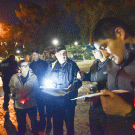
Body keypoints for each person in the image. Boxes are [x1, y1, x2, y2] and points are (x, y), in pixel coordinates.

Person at [92, 17, 135, 134]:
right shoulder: (112, 65)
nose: (104, 55)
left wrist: (127, 111)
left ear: (120, 33)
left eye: (104, 47)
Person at [44, 45, 82, 135]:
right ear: (56, 55)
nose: (63, 55)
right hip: (55, 102)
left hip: (69, 101)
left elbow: (79, 80)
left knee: (70, 127)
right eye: (61, 53)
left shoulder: (72, 65)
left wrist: (74, 85)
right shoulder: (51, 65)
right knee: (57, 127)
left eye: (65, 53)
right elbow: (45, 79)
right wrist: (48, 83)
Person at [77, 47, 110, 135]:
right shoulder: (95, 63)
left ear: (102, 50)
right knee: (94, 130)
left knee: (106, 130)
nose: (93, 53)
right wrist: (83, 75)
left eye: (95, 51)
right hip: (94, 104)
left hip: (105, 105)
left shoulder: (110, 64)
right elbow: (90, 77)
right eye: (92, 51)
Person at [9, 60, 38, 135]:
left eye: (27, 66)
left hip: (31, 104)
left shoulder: (34, 77)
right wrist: (15, 93)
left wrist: (29, 96)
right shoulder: (14, 77)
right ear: (19, 68)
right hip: (19, 105)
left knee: (34, 121)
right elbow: (11, 87)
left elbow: (36, 89)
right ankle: (21, 132)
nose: (25, 68)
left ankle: (35, 132)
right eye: (23, 66)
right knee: (21, 123)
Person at [30, 50, 48, 132]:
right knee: (37, 106)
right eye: (33, 55)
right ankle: (39, 122)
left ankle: (46, 122)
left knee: (44, 105)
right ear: (32, 56)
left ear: (38, 55)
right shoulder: (30, 65)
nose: (35, 56)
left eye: (36, 54)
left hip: (43, 87)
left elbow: (48, 73)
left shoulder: (44, 63)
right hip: (35, 88)